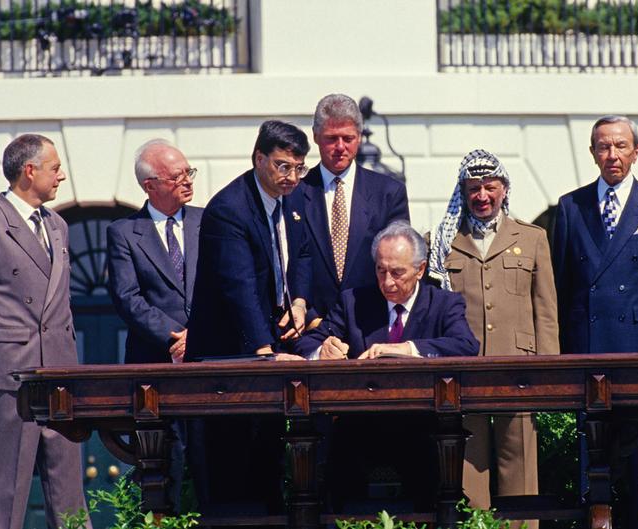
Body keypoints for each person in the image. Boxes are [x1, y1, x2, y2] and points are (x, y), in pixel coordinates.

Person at [0, 134, 91, 529]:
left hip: (61, 373)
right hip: (11, 376)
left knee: (68, 489)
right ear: (30, 171)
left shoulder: (59, 225)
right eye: (55, 168)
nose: (62, 176)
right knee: (8, 486)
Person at [551, 116, 638, 529]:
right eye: (604, 147)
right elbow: (560, 285)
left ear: (636, 152)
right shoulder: (570, 206)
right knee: (594, 457)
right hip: (589, 349)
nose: (613, 155)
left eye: (621, 146)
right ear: (592, 153)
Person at [296, 221, 479, 510]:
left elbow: (467, 346)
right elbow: (306, 344)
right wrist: (322, 351)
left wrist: (407, 349)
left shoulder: (444, 304)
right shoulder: (354, 302)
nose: (388, 282)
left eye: (398, 273)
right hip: (359, 426)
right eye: (381, 271)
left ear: (420, 270)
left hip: (420, 427)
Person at [184, 120, 313, 512]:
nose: (292, 176)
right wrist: (265, 354)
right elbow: (238, 288)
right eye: (282, 166)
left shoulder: (292, 199)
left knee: (267, 469)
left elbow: (303, 253)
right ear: (259, 159)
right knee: (230, 476)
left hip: (268, 347)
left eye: (299, 167)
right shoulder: (229, 210)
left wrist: (300, 301)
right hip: (229, 356)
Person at [428, 149, 559, 529]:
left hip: (519, 369)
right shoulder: (444, 241)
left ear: (504, 189)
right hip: (465, 372)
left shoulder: (532, 238)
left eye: (490, 187)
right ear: (463, 191)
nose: (482, 195)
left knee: (519, 466)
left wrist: (549, 374)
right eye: (474, 188)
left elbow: (546, 312)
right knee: (470, 470)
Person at [106, 139, 202, 508]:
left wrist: (200, 337)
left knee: (209, 457)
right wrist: (175, 337)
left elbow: (225, 286)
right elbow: (128, 298)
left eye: (188, 172)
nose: (187, 181)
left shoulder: (206, 222)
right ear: (150, 186)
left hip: (207, 361)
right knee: (163, 461)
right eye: (177, 176)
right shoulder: (124, 232)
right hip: (156, 364)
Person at [301, 93, 410, 322]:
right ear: (316, 137)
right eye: (332, 138)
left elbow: (399, 264)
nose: (340, 147)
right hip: (312, 329)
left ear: (359, 137)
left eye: (348, 138)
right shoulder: (296, 192)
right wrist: (312, 320)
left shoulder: (389, 193)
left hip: (371, 326)